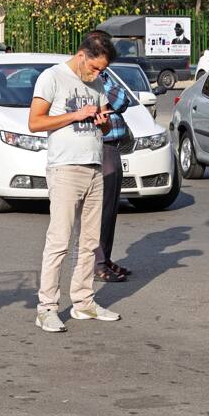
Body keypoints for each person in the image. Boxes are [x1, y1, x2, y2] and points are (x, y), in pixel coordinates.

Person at [29, 31, 120, 333]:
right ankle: (47, 308)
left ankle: (83, 302)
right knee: (59, 241)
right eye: (95, 68)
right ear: (82, 55)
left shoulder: (96, 83)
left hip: (94, 167)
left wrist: (103, 121)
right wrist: (75, 114)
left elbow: (105, 126)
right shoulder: (52, 77)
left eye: (102, 70)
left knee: (91, 242)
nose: (98, 74)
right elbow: (36, 122)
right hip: (65, 169)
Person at [95, 67, 132, 282]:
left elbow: (124, 100)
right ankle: (96, 263)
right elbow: (119, 102)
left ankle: (105, 259)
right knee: (100, 210)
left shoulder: (105, 75)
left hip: (114, 146)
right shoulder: (93, 78)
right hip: (102, 146)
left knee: (110, 211)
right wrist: (111, 89)